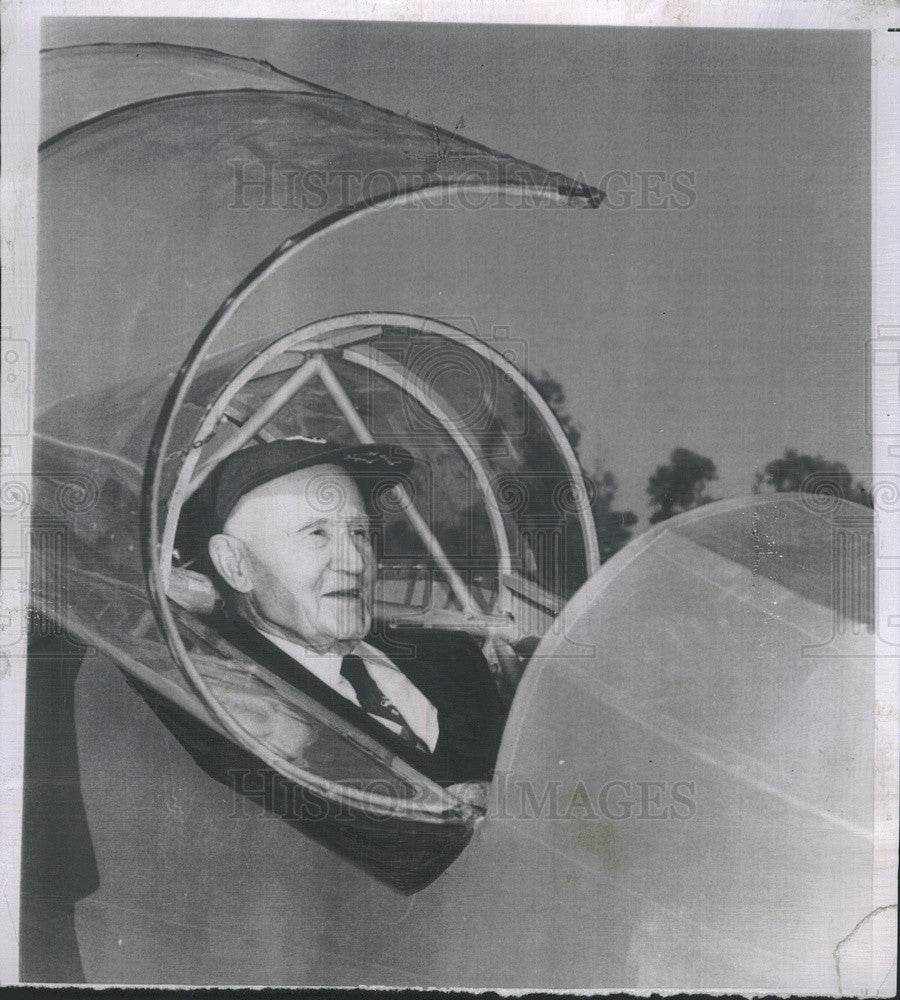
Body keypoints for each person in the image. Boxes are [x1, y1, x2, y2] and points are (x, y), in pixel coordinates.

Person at [198, 437, 506, 788]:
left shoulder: (454, 658)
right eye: (317, 533)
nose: (356, 561)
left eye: (359, 532)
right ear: (235, 564)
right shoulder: (230, 705)